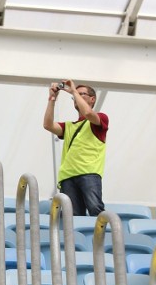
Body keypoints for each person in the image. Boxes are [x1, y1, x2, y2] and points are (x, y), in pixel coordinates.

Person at [43, 80, 108, 216]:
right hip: (68, 176)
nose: (76, 97)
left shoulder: (100, 118)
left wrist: (73, 90)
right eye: (75, 95)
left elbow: (89, 114)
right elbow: (48, 125)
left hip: (89, 173)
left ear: (92, 99)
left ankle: (103, 237)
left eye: (81, 94)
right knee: (71, 216)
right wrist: (52, 98)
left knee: (95, 209)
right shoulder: (69, 126)